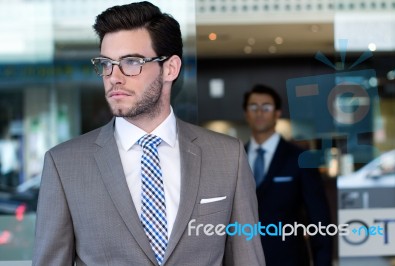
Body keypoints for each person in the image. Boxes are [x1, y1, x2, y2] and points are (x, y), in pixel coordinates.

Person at [33, 2, 265, 266]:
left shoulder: (227, 156)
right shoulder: (64, 165)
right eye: (106, 63)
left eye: (131, 62)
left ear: (170, 69)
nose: (114, 76)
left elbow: (248, 260)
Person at [243, 84, 332, 266]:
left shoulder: (300, 158)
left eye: (266, 107)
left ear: (277, 113)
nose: (259, 112)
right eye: (254, 107)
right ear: (246, 113)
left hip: (289, 258)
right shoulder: (234, 157)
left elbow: (319, 220)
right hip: (243, 258)